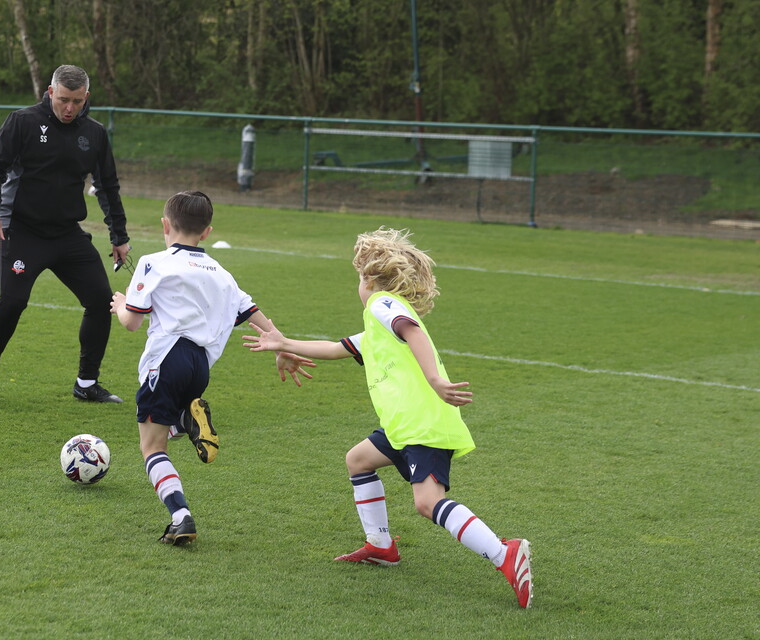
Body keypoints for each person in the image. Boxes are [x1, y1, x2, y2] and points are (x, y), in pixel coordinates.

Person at [242, 227, 533, 609]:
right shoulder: (375, 326)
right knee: (358, 460)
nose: (359, 287)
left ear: (369, 280)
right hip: (402, 425)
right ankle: (381, 545)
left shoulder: (381, 303)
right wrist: (282, 342)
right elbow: (334, 348)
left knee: (428, 503)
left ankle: (504, 554)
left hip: (421, 422)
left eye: (359, 278)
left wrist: (435, 380)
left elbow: (413, 332)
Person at [111, 191, 314, 545]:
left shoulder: (154, 261)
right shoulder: (222, 273)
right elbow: (253, 313)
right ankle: (187, 420)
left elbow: (132, 322)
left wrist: (121, 303)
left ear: (164, 224)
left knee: (152, 447)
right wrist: (280, 346)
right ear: (206, 232)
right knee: (163, 429)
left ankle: (180, 516)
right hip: (200, 366)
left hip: (168, 358)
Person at [0, 64, 131, 405]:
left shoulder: (95, 133)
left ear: (87, 97)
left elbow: (107, 186)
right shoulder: (23, 121)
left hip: (67, 235)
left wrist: (119, 235)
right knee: (12, 302)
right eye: (62, 100)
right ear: (49, 91)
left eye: (76, 101)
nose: (69, 108)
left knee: (101, 301)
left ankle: (86, 383)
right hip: (22, 232)